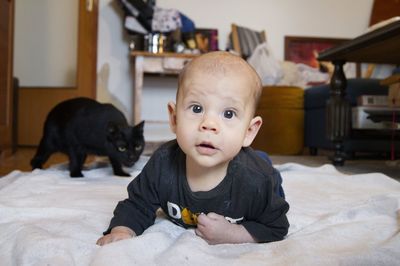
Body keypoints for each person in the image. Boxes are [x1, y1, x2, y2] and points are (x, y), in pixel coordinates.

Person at [96, 51, 289, 246]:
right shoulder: (162, 164)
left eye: (229, 113)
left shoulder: (257, 181)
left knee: (264, 168)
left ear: (249, 132)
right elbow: (137, 204)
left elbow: (277, 226)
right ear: (174, 119)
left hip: (257, 168)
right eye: (197, 108)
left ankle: (263, 160)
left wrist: (234, 234)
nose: (209, 124)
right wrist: (123, 229)